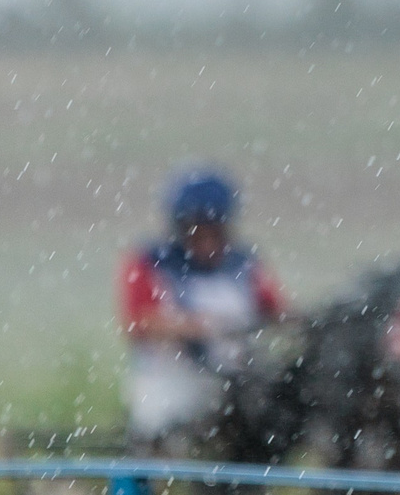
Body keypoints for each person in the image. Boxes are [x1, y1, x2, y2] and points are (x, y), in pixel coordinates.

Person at [117, 166, 288, 451]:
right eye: (197, 230)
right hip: (173, 378)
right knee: (160, 431)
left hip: (235, 380)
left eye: (215, 230)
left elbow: (276, 310)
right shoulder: (150, 262)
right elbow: (138, 322)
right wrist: (199, 327)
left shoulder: (243, 264)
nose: (207, 241)